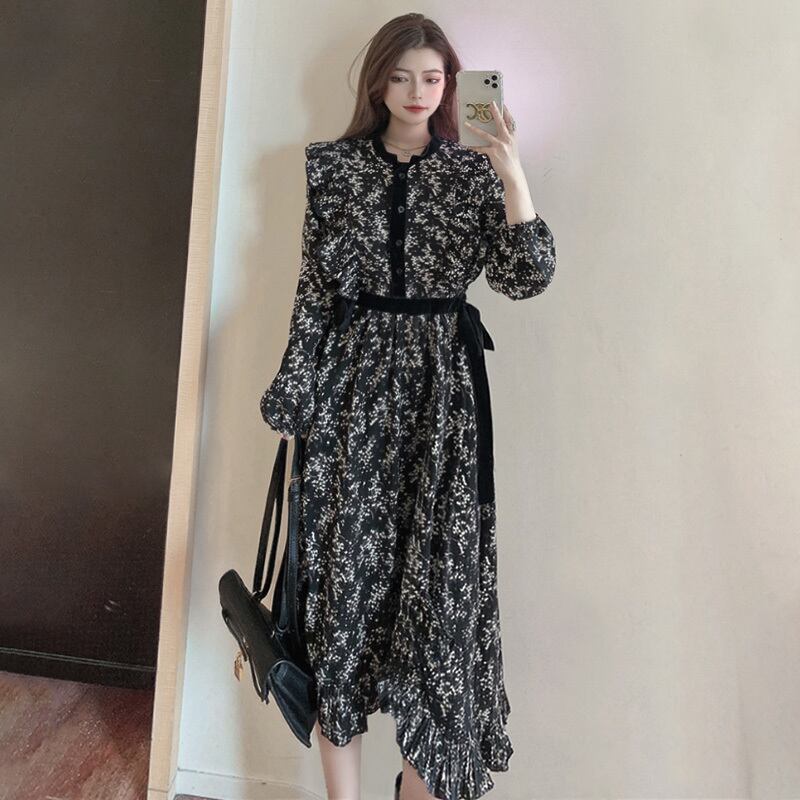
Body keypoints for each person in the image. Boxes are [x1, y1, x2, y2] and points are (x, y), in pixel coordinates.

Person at [259, 12, 556, 800]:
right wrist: (295, 401)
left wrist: (511, 170)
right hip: (351, 401)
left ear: (452, 85)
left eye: (432, 77)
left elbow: (526, 277)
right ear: (377, 83)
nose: (417, 91)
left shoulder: (472, 174)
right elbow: (314, 295)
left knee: (438, 601)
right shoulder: (333, 169)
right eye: (400, 76)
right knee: (343, 602)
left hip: (442, 406)